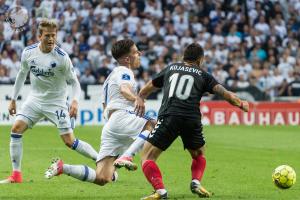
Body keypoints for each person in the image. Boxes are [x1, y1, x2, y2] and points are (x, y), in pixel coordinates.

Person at [135, 43, 249, 199]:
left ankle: (160, 190)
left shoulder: (171, 68)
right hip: (191, 119)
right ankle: (196, 181)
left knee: (147, 157)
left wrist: (140, 98)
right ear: (201, 59)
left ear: (184, 57)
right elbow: (225, 94)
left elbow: (147, 88)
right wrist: (241, 104)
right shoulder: (204, 75)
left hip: (170, 116)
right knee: (199, 154)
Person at [45, 39, 156, 186]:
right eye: (136, 51)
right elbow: (124, 89)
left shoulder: (110, 77)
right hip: (122, 117)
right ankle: (128, 156)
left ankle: (62, 167)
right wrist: (137, 99)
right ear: (127, 58)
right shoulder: (124, 70)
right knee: (153, 123)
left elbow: (106, 106)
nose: (140, 53)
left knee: (102, 177)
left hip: (111, 126)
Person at [0, 19, 98, 184]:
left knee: (69, 141)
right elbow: (22, 75)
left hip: (56, 102)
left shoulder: (62, 57)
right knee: (16, 129)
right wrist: (13, 99)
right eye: (47, 35)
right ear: (39, 36)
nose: (51, 39)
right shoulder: (28, 53)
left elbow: (75, 83)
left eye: (54, 35)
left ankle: (100, 159)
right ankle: (16, 175)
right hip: (35, 99)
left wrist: (74, 101)